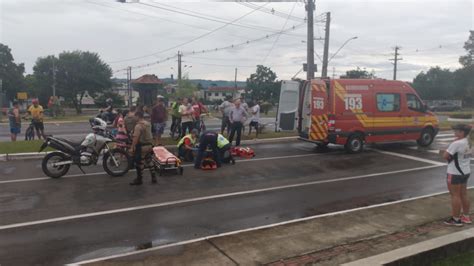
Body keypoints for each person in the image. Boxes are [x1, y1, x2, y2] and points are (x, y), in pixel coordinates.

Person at [443, 124, 472, 226]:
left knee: (455, 195)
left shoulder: (457, 143)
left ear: (462, 132)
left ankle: (456, 219)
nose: (454, 133)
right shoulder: (470, 141)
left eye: (456, 131)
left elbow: (445, 156)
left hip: (454, 172)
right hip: (466, 171)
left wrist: (451, 146)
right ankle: (466, 217)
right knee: (464, 194)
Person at [129, 111, 156, 186]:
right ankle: (153, 177)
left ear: (138, 116)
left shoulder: (138, 126)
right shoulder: (148, 123)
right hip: (149, 145)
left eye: (135, 116)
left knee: (139, 163)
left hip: (142, 146)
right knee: (149, 160)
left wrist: (132, 147)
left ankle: (139, 179)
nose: (134, 117)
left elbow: (136, 137)